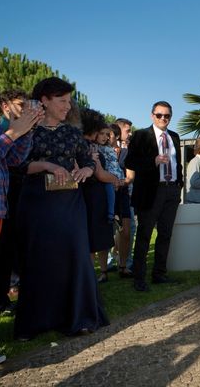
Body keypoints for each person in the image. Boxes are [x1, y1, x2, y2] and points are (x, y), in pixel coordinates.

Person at [14, 77, 109, 340]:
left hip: (70, 205)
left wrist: (86, 170)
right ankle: (35, 322)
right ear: (44, 100)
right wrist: (47, 165)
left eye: (69, 100)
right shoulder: (27, 131)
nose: (68, 106)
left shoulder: (72, 133)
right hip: (36, 205)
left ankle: (80, 318)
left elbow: (87, 162)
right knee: (39, 260)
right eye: (62, 100)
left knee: (76, 256)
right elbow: (18, 166)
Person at [125, 101, 183, 292]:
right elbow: (130, 161)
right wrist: (154, 160)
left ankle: (159, 274)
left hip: (172, 190)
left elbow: (177, 163)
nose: (163, 119)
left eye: (167, 116)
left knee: (165, 234)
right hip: (151, 191)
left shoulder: (174, 136)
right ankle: (139, 278)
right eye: (159, 115)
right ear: (152, 116)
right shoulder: (141, 135)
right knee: (144, 235)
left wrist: (179, 184)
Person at [0, 90, 42, 316]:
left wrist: (26, 132)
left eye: (26, 105)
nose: (24, 109)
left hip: (3, 202)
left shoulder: (16, 130)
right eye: (18, 105)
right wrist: (15, 132)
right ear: (5, 106)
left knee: (6, 249)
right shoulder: (2, 129)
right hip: (6, 196)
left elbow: (15, 159)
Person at [81, 109, 122, 283]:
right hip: (91, 197)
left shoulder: (91, 145)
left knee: (99, 238)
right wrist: (115, 179)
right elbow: (100, 174)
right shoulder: (87, 146)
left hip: (96, 197)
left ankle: (100, 273)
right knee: (91, 239)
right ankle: (91, 277)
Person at [115, 118, 134, 277]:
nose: (130, 134)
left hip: (126, 193)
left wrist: (123, 182)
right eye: (128, 130)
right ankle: (109, 264)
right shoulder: (103, 148)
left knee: (128, 230)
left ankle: (126, 263)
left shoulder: (129, 151)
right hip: (108, 193)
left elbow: (131, 174)